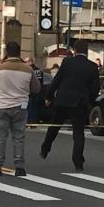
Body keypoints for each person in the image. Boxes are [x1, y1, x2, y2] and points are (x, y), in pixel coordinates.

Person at [39, 40, 100, 171]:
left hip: (63, 100)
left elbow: (57, 80)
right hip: (79, 103)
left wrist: (49, 96)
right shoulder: (92, 67)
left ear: (75, 50)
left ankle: (45, 148)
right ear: (87, 51)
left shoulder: (67, 62)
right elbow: (95, 89)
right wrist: (88, 101)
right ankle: (78, 161)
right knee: (78, 133)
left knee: (54, 126)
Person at [0, 41, 40, 176]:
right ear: (19, 53)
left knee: (0, 138)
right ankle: (19, 167)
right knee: (19, 137)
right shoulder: (28, 69)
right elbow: (36, 88)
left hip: (1, 106)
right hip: (20, 106)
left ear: (7, 53)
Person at [24, 57, 44, 123]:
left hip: (30, 92)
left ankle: (30, 121)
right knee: (35, 107)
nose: (24, 63)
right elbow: (41, 82)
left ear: (30, 62)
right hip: (38, 92)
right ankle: (34, 121)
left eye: (25, 62)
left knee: (29, 107)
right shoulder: (39, 70)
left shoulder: (29, 70)